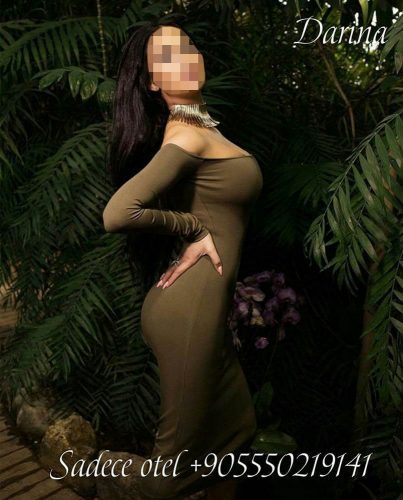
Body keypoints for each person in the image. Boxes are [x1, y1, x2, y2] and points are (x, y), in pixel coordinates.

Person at [102, 21, 263, 500]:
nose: (186, 56)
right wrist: (193, 227)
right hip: (188, 312)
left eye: (188, 46)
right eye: (167, 55)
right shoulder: (186, 136)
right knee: (170, 476)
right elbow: (118, 213)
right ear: (153, 82)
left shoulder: (201, 127)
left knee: (237, 436)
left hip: (203, 309)